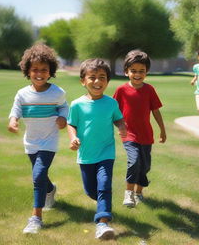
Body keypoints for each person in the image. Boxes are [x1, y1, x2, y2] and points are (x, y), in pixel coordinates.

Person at [8, 43, 69, 234]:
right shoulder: (22, 94)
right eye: (35, 69)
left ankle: (36, 218)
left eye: (44, 69)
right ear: (28, 71)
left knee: (37, 175)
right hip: (31, 141)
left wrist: (63, 118)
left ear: (51, 70)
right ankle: (50, 190)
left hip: (49, 141)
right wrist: (13, 121)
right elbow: (16, 109)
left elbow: (65, 107)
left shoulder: (57, 93)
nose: (40, 73)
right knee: (41, 175)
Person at [67, 58, 126, 240]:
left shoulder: (111, 103)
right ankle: (102, 201)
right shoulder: (77, 104)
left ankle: (102, 223)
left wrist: (121, 126)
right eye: (92, 77)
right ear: (83, 81)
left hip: (106, 152)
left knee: (104, 184)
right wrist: (73, 137)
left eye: (102, 77)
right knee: (91, 190)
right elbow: (71, 124)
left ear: (108, 80)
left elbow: (118, 118)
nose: (97, 82)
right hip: (86, 155)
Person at [113, 49, 166, 208]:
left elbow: (156, 111)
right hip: (129, 134)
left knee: (145, 166)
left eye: (141, 71)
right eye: (133, 71)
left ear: (146, 72)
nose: (137, 74)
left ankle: (139, 192)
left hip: (146, 135)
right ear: (126, 72)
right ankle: (128, 193)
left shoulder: (149, 90)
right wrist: (118, 126)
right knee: (134, 161)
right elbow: (114, 112)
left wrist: (162, 130)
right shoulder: (121, 90)